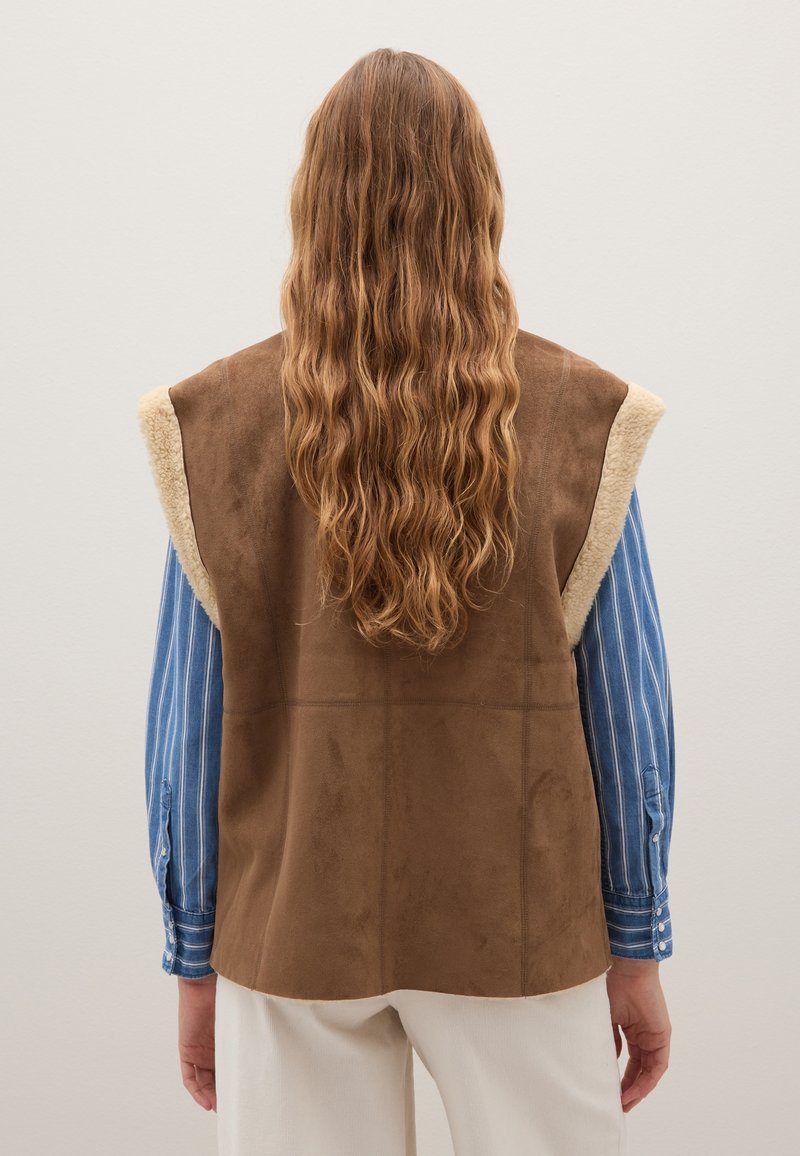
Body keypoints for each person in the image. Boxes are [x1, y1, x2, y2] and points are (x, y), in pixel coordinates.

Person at [138, 47, 674, 1156]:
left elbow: (186, 727)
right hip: (521, 927)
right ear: (479, 202)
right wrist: (636, 939)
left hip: (292, 926)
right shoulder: (578, 419)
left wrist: (194, 954)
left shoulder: (217, 425)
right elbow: (627, 716)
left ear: (313, 204)